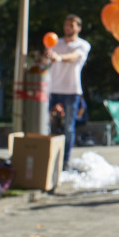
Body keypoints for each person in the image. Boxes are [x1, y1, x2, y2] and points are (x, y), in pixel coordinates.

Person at [47, 14, 91, 168]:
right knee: (45, 122)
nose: (68, 28)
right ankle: (47, 157)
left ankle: (65, 160)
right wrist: (48, 56)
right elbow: (46, 59)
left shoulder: (83, 45)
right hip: (52, 89)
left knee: (68, 126)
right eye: (66, 25)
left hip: (72, 91)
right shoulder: (55, 43)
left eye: (71, 25)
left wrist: (58, 57)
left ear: (78, 28)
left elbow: (74, 56)